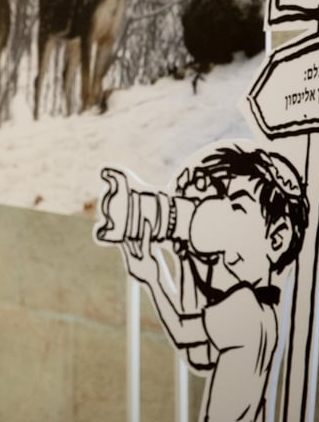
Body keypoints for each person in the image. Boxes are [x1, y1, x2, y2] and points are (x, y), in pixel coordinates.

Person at [120, 145, 308, 422]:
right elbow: (200, 356)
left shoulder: (245, 305)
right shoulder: (263, 306)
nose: (220, 214)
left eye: (237, 206)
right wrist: (184, 257)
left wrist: (153, 278)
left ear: (277, 238)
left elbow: (184, 331)